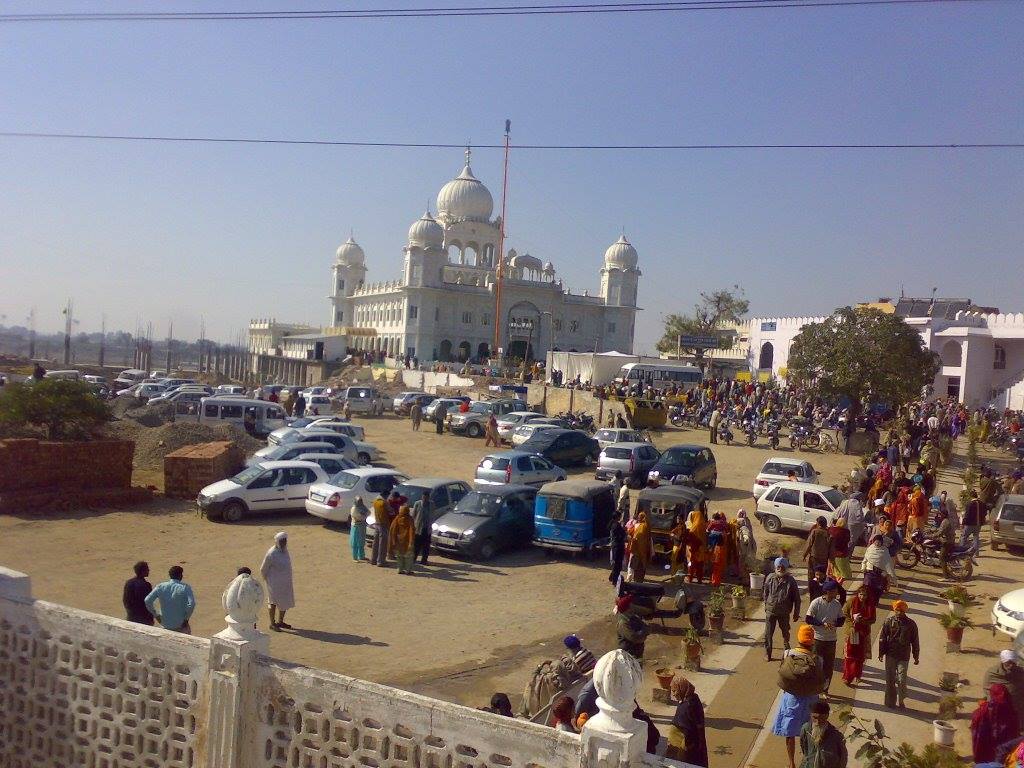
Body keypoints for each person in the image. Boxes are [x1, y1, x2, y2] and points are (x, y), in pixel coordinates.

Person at [772, 624, 822, 768]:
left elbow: (781, 672)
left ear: (799, 638)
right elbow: (822, 681)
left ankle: (791, 762)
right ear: (812, 640)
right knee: (810, 733)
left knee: (790, 732)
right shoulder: (817, 659)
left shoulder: (788, 653)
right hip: (810, 700)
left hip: (791, 698)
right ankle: (807, 760)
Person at [877, 600, 920, 709]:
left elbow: (915, 641)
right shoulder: (888, 622)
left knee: (902, 680)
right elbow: (882, 638)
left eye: (901, 610)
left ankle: (901, 700)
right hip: (891, 654)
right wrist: (881, 653)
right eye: (897, 610)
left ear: (904, 611)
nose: (899, 612)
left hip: (904, 655)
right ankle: (890, 702)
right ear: (894, 610)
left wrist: (916, 656)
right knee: (890, 679)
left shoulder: (911, 624)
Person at [805, 579, 845, 694]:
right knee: (816, 665)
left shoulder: (836, 604)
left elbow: (841, 620)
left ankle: (825, 690)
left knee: (828, 668)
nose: (837, 592)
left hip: (831, 640)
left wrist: (835, 624)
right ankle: (813, 688)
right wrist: (822, 624)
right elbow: (808, 618)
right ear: (828, 592)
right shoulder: (816, 603)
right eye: (834, 591)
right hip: (818, 639)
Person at [763, 557, 802, 661]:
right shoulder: (770, 578)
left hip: (784, 613)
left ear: (786, 568)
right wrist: (766, 606)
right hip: (770, 611)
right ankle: (768, 653)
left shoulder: (791, 581)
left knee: (785, 633)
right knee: (768, 633)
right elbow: (765, 593)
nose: (780, 569)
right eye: (778, 567)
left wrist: (796, 613)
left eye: (782, 567)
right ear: (775, 567)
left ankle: (786, 651)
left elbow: (797, 599)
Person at [665, 676, 708, 768]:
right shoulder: (694, 698)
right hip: (697, 745)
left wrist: (682, 755)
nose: (673, 694)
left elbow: (687, 735)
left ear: (682, 689)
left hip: (684, 750)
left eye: (674, 691)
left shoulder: (685, 708)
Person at [972, 684, 1021, 764]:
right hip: (1004, 751)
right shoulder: (1012, 712)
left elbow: (976, 723)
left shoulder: (985, 709)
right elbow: (1015, 733)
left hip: (987, 749)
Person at [144, 565, 196, 634]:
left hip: (165, 624)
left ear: (170, 575)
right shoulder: (185, 588)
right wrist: (186, 619)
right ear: (180, 575)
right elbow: (191, 604)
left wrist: (156, 615)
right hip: (180, 625)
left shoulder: (160, 586)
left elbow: (147, 600)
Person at [841, 584, 876, 686]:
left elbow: (873, 619)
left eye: (864, 595)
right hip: (852, 633)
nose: (862, 597)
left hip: (863, 634)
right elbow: (845, 614)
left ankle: (857, 675)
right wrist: (852, 625)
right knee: (850, 656)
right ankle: (848, 677)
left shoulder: (870, 605)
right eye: (860, 594)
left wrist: (863, 621)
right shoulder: (851, 602)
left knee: (860, 657)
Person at [260, 532, 295, 631]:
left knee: (284, 602)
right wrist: (268, 581)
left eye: (285, 541)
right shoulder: (271, 553)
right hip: (274, 584)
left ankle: (280, 622)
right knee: (273, 602)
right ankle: (272, 623)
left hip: (285, 583)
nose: (284, 543)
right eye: (282, 541)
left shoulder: (285, 551)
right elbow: (263, 569)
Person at [798, 700, 848, 768]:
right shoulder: (806, 729)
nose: (818, 722)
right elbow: (804, 748)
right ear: (810, 715)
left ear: (827, 716)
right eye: (815, 717)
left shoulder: (836, 735)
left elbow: (843, 757)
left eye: (821, 718)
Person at [984, 650, 1024, 730]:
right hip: (998, 708)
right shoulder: (993, 673)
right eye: (1008, 662)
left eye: (1013, 663)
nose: (1011, 665)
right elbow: (988, 689)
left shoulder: (1021, 673)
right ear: (1003, 661)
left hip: (1016, 708)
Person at [615, 595, 649, 660]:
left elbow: (647, 628)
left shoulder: (633, 617)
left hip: (636, 651)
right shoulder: (623, 623)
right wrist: (643, 632)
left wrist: (644, 631)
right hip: (628, 654)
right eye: (631, 605)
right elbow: (634, 638)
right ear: (628, 608)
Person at [803, 517, 831, 592]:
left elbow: (809, 544)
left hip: (814, 557)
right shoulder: (828, 534)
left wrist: (804, 555)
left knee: (811, 574)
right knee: (822, 574)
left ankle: (812, 589)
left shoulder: (815, 532)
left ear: (818, 524)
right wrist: (831, 559)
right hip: (824, 559)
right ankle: (821, 588)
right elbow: (831, 548)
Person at [390, 504, 417, 575]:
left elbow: (393, 530)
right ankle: (408, 570)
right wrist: (411, 542)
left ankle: (400, 569)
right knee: (408, 557)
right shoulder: (410, 519)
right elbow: (412, 530)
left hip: (399, 541)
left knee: (399, 556)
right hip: (407, 541)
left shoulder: (397, 518)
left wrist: (393, 540)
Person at [628, 511, 652, 583]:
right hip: (637, 549)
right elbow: (631, 533)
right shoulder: (637, 525)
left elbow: (642, 536)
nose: (638, 518)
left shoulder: (645, 526)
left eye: (640, 517)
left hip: (642, 549)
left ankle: (639, 580)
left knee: (640, 566)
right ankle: (635, 579)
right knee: (635, 565)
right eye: (638, 517)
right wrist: (631, 537)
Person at [686, 504, 708, 583]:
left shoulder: (693, 529)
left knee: (691, 565)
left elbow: (690, 540)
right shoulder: (703, 527)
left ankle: (690, 578)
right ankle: (699, 579)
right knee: (700, 566)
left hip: (693, 550)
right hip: (701, 551)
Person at [961, 489, 984, 560]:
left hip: (969, 524)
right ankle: (976, 553)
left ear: (971, 496)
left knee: (964, 537)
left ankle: (961, 551)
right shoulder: (982, 503)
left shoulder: (969, 504)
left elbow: (967, 515)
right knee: (976, 537)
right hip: (978, 524)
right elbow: (985, 513)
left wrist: (963, 523)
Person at [826, 518, 852, 583]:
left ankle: (834, 586)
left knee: (831, 572)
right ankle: (837, 586)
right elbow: (848, 541)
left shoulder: (831, 529)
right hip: (842, 555)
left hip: (831, 554)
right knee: (842, 573)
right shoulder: (846, 532)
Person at [371, 492, 392, 567]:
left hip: (377, 523)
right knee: (382, 544)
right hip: (383, 524)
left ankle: (373, 559)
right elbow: (391, 512)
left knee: (375, 543)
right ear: (385, 495)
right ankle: (381, 561)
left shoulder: (375, 501)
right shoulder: (384, 503)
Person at [411, 493, 432, 565]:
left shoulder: (431, 504)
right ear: (422, 497)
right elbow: (414, 515)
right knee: (416, 545)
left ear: (428, 498)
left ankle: (424, 560)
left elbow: (433, 515)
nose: (425, 499)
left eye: (426, 498)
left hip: (427, 528)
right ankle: (413, 559)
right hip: (418, 528)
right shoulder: (417, 503)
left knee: (426, 546)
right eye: (424, 498)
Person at [609, 511, 627, 585]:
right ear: (618, 517)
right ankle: (614, 580)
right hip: (618, 546)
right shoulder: (617, 525)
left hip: (614, 545)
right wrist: (624, 530)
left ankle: (612, 577)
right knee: (618, 564)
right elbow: (621, 535)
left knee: (615, 562)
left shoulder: (612, 524)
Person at [349, 496, 369, 562]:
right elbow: (357, 516)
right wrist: (363, 515)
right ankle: (355, 557)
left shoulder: (363, 507)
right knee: (355, 541)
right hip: (356, 526)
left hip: (362, 525)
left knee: (361, 541)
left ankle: (361, 556)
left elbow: (368, 513)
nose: (359, 502)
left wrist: (363, 515)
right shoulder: (354, 508)